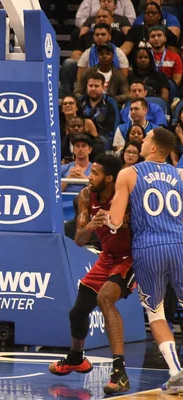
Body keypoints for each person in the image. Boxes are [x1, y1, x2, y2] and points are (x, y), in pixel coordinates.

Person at [102, 127, 183, 394]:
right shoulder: (180, 175)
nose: (142, 140)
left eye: (146, 138)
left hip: (148, 248)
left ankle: (175, 372)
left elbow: (114, 221)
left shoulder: (129, 173)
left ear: (152, 148)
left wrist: (110, 219)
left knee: (156, 311)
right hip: (179, 244)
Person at [49, 154, 133, 394]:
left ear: (109, 178)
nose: (89, 177)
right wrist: (91, 226)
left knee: (105, 298)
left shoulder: (127, 196)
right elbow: (78, 240)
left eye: (94, 173)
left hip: (131, 258)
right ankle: (76, 358)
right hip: (107, 258)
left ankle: (120, 373)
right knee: (77, 312)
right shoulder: (86, 196)